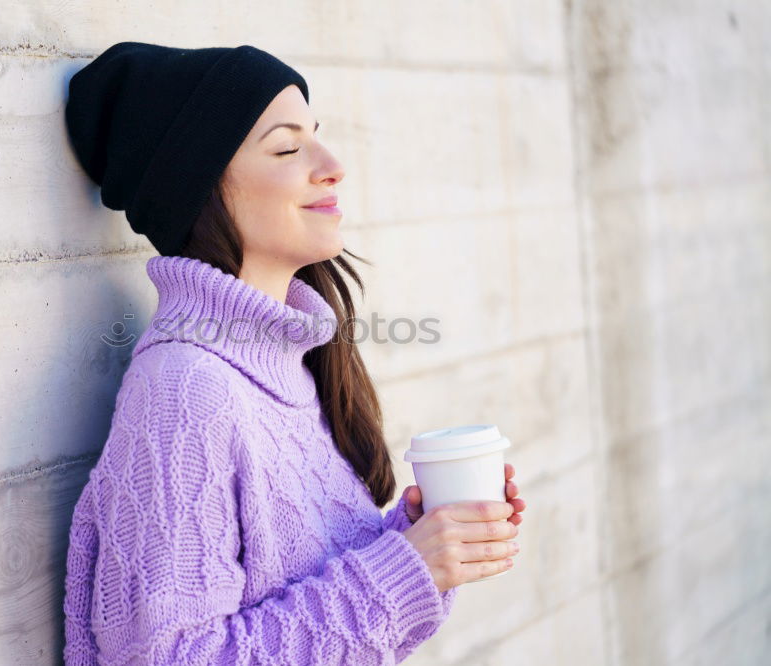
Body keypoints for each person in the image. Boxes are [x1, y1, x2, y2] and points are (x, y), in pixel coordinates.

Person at [61, 41, 527, 665]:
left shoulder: (290, 367)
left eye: (318, 136)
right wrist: (403, 570)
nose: (332, 165)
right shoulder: (185, 387)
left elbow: (302, 601)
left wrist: (422, 547)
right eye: (287, 147)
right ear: (200, 187)